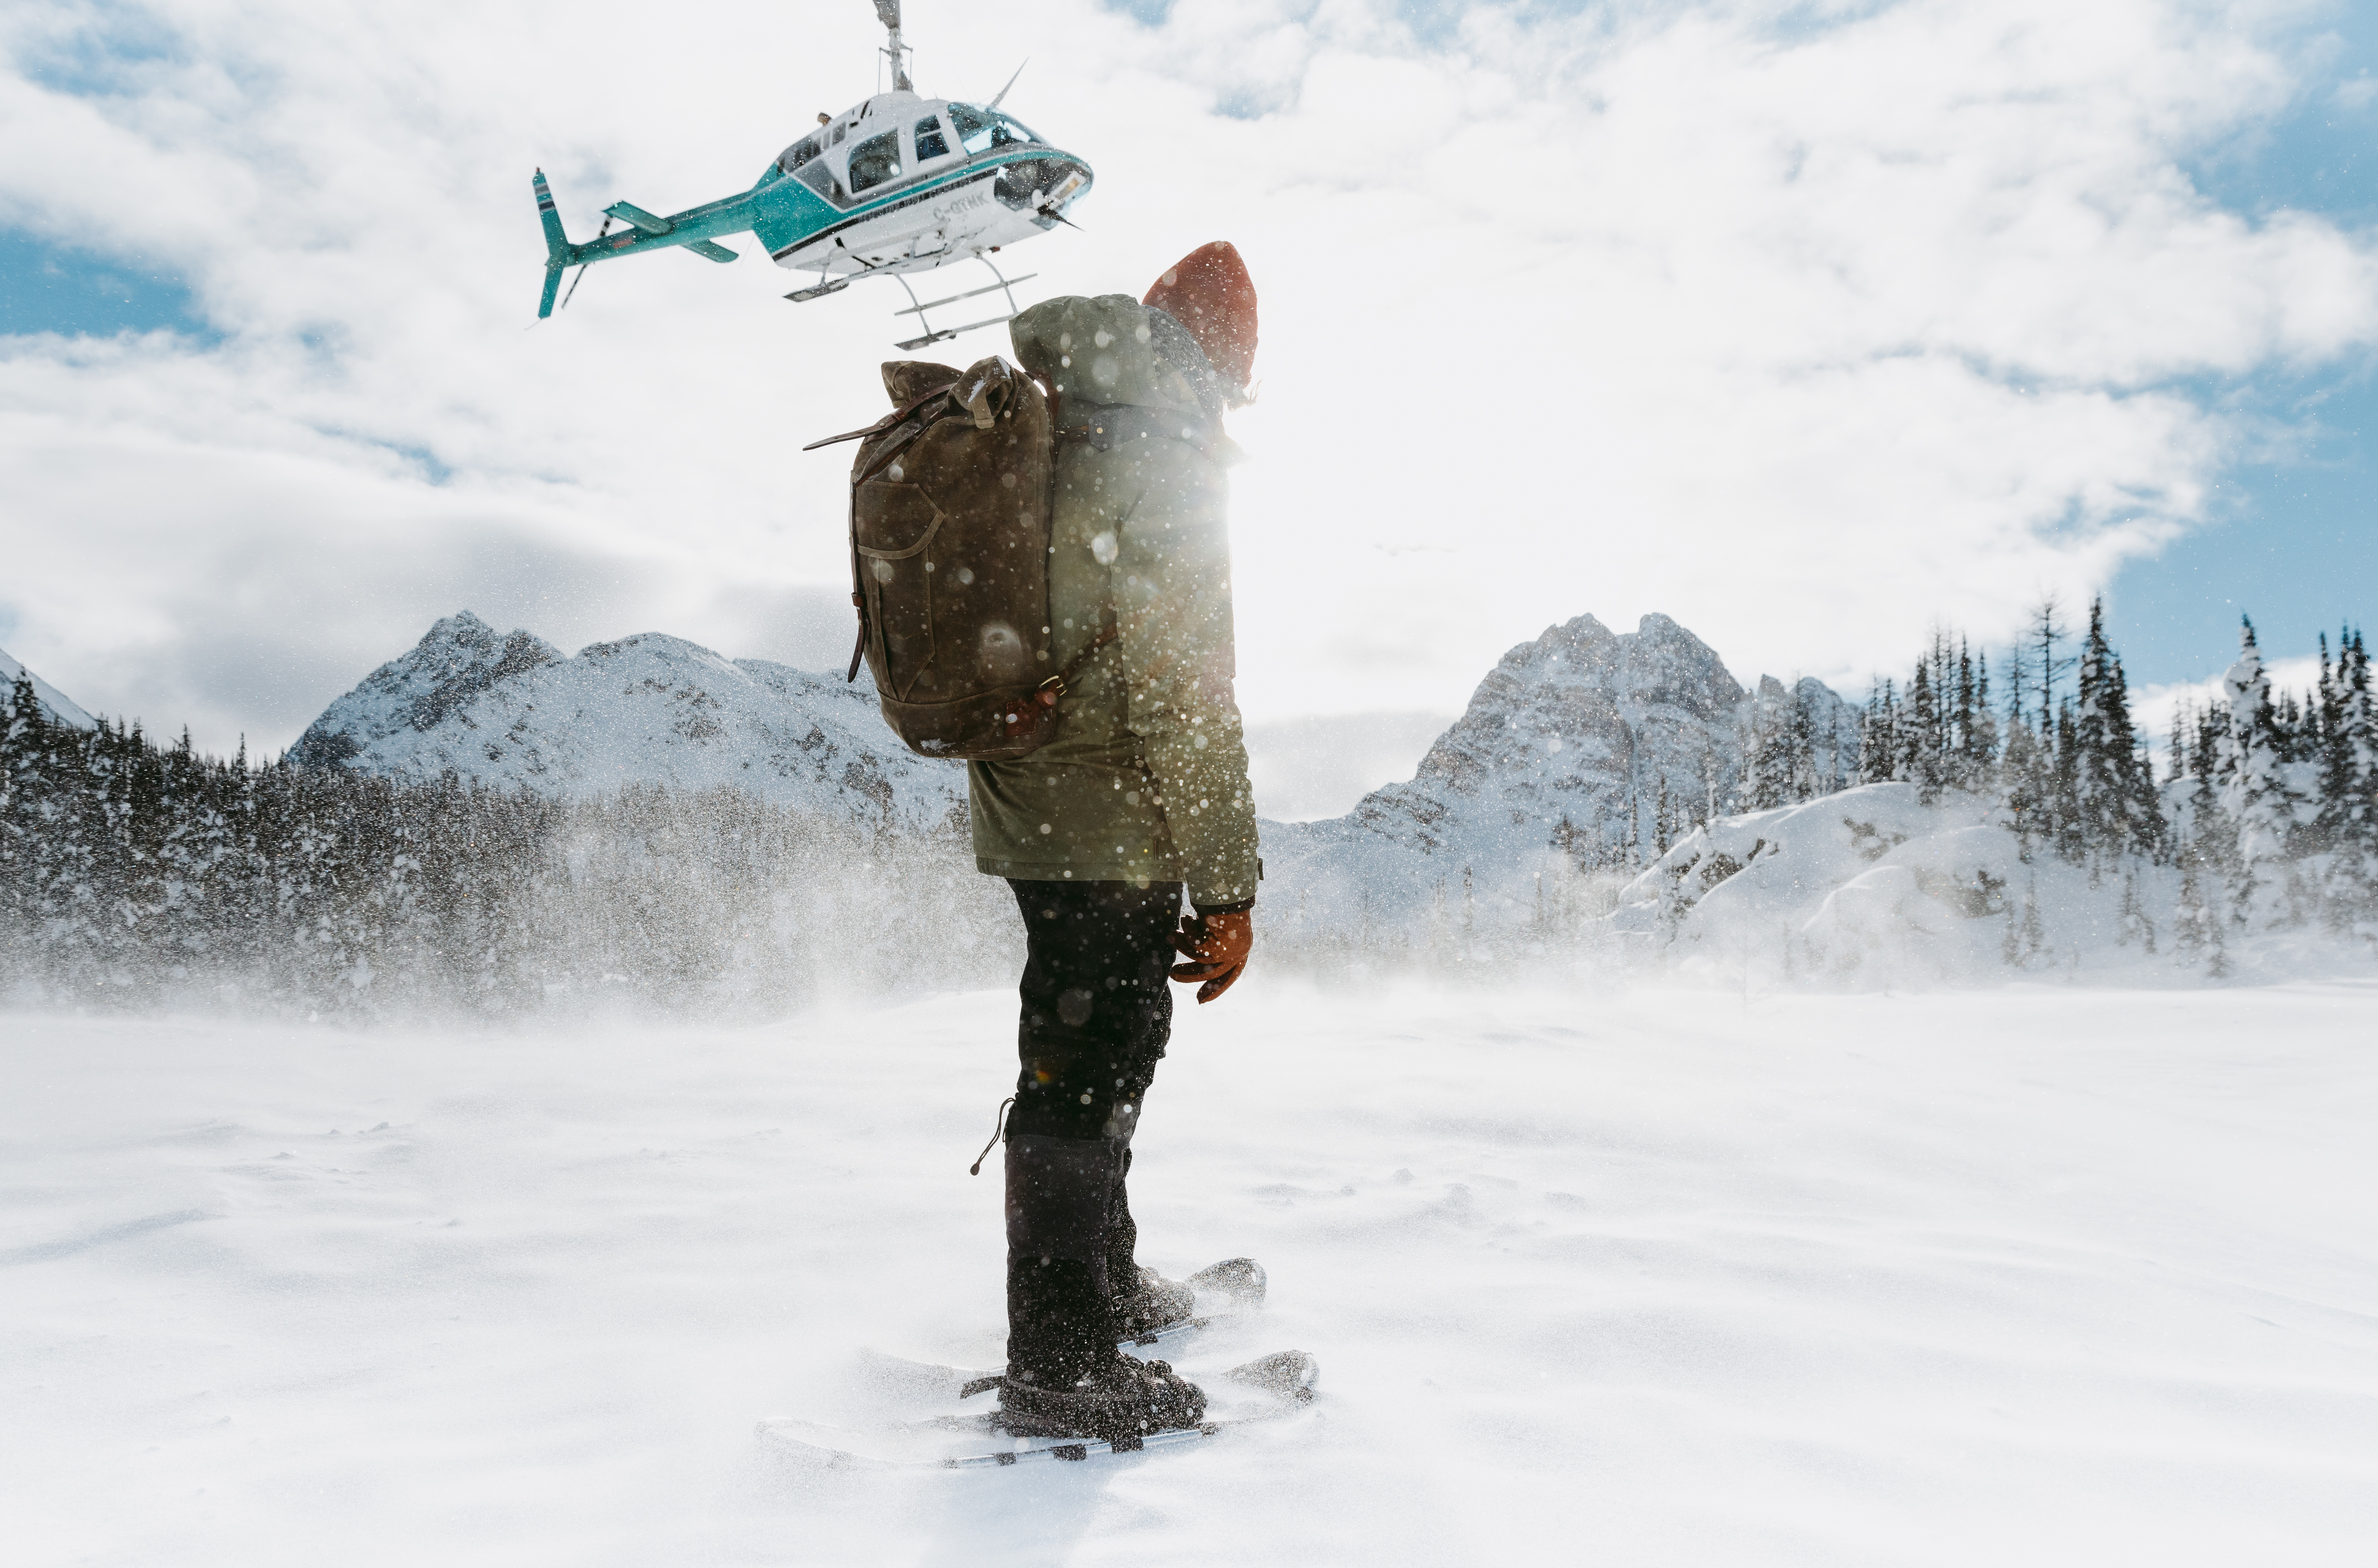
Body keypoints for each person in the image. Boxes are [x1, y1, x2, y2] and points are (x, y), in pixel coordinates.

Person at [970, 244, 1262, 1441]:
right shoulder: (1164, 450)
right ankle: (1062, 1364)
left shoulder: (1061, 416)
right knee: (1087, 1063)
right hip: (1112, 814)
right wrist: (1231, 885)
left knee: (1098, 1044)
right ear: (1222, 362)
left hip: (1033, 799)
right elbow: (1188, 700)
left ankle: (1103, 1290)